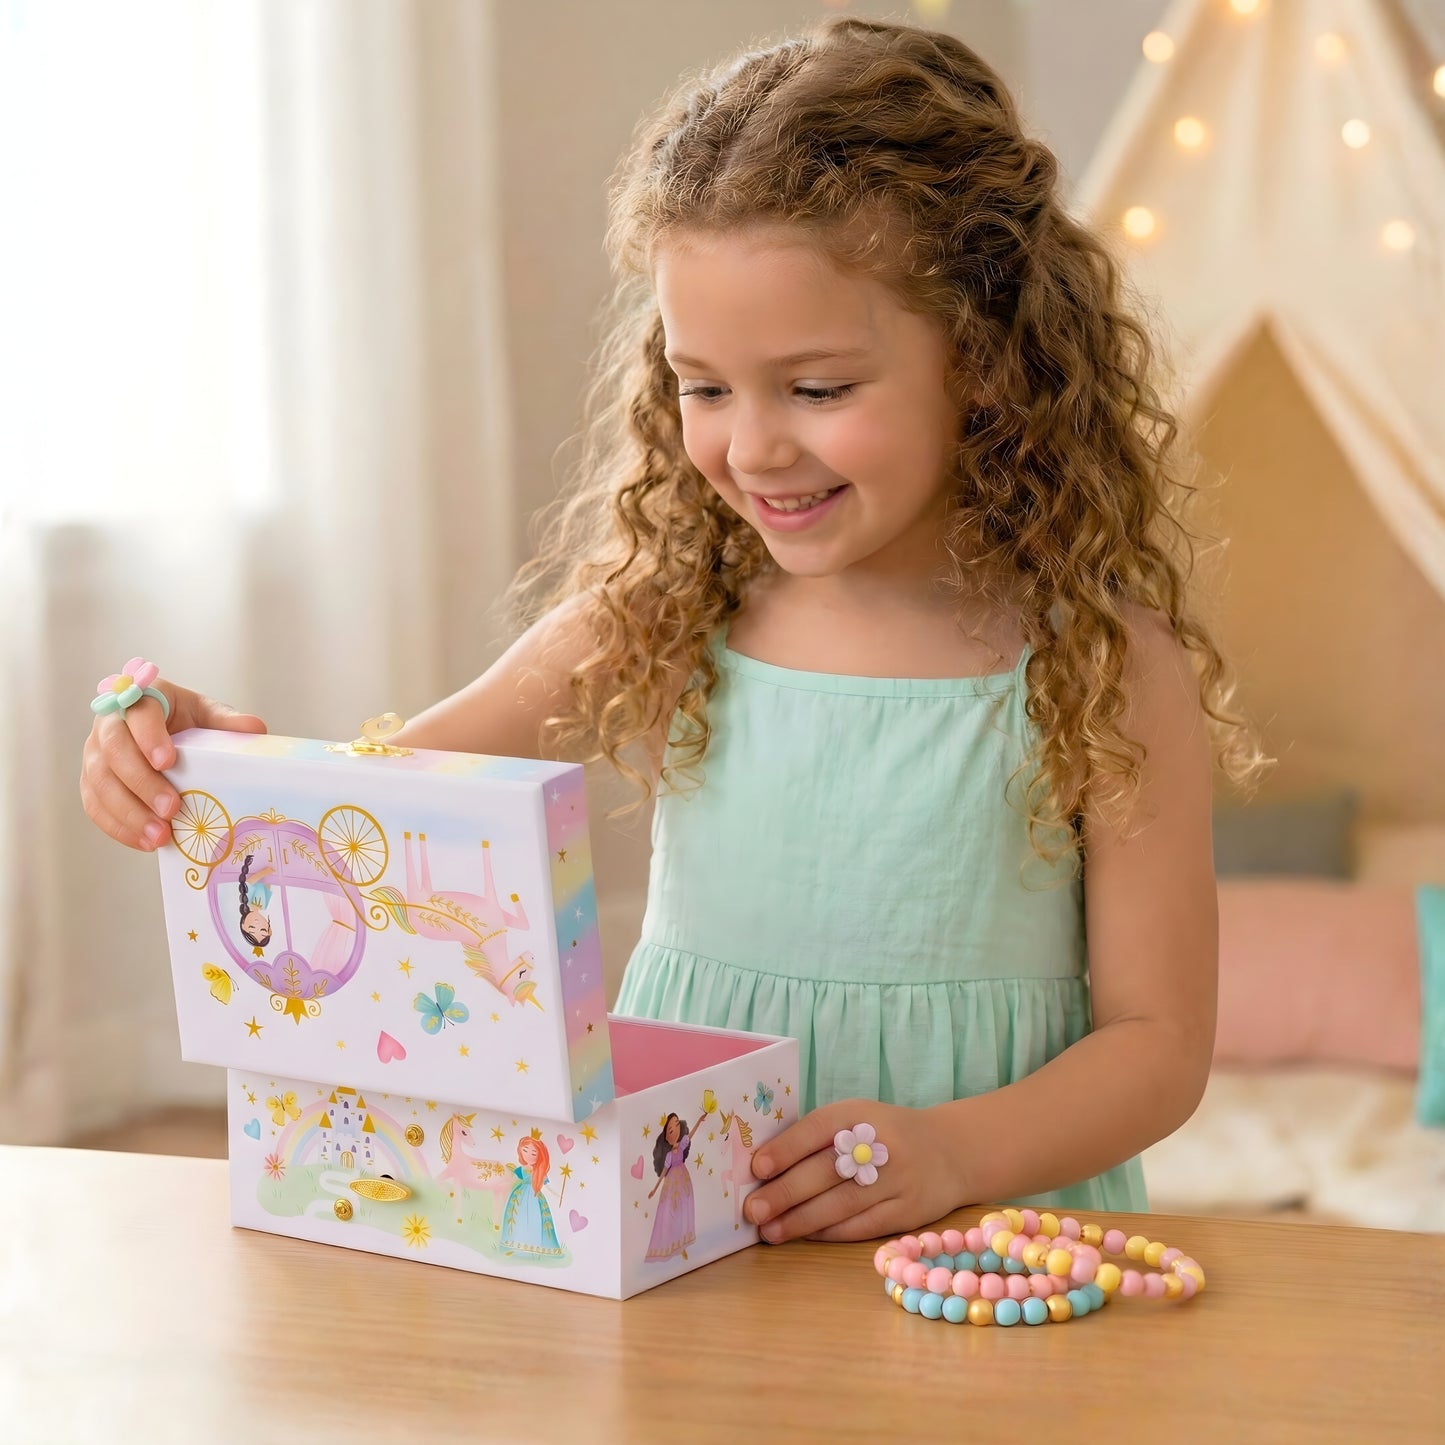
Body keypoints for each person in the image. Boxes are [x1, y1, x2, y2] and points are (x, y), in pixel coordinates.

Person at [79, 17, 1262, 1244]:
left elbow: (1157, 1046)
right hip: (691, 1232)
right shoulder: (667, 609)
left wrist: (955, 1148)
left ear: (983, 358)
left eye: (815, 388)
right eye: (704, 385)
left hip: (986, 1246)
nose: (751, 447)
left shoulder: (1099, 665)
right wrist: (203, 759)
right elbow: (386, 797)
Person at [645, 1109, 709, 1263]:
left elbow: (691, 1135)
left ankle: (682, 1246)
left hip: (683, 1180)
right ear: (667, 1136)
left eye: (677, 1125)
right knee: (671, 1212)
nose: (675, 1130)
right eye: (671, 1129)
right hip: (672, 1183)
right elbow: (664, 1172)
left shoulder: (681, 1146)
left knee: (684, 1209)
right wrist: (655, 1188)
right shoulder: (668, 1156)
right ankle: (671, 1246)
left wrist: (699, 1121)